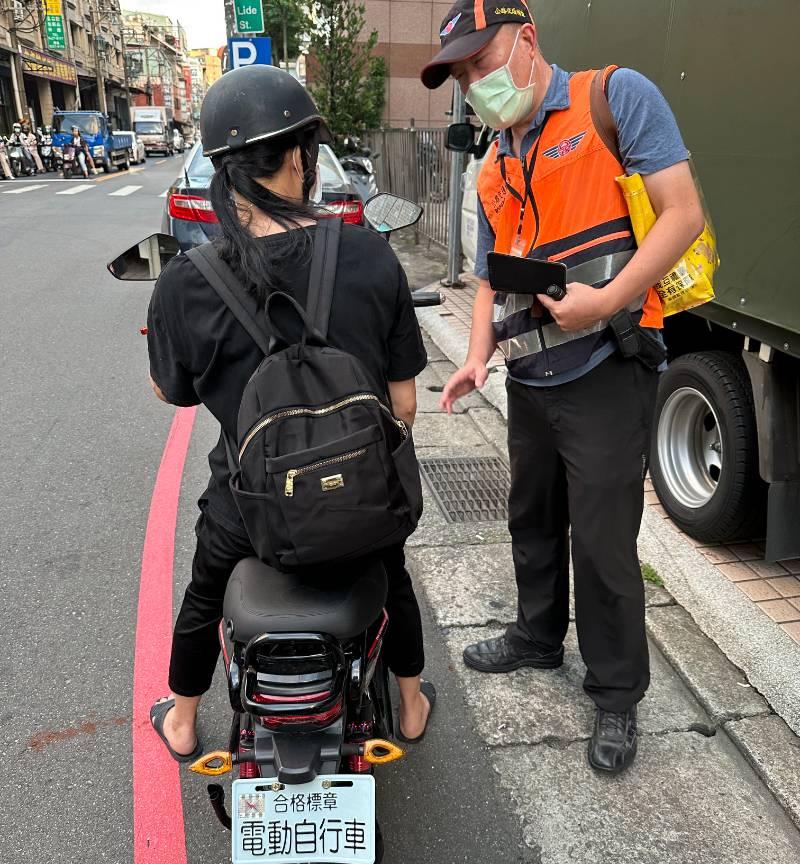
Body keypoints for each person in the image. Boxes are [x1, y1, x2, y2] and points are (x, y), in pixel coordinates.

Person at [421, 0, 704, 774]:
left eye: (482, 63)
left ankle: (616, 695)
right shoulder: (494, 164)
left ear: (527, 40)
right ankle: (537, 637)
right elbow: (487, 283)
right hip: (530, 375)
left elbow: (682, 214)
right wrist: (476, 358)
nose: (475, 84)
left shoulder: (615, 98)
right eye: (462, 76)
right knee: (532, 517)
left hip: (608, 365)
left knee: (605, 543)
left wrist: (609, 301)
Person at [146, 65, 435, 761]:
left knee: (204, 589)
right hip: (360, 505)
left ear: (222, 171)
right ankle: (412, 700)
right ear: (302, 157)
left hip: (248, 510)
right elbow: (403, 405)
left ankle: (183, 719)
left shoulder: (189, 282)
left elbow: (175, 394)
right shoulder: (369, 253)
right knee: (392, 577)